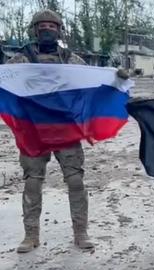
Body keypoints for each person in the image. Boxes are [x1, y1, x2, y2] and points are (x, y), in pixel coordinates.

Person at [8, 9, 100, 253]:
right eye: (42, 25)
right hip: (34, 130)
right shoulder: (22, 59)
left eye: (52, 25)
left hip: (64, 128)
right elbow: (5, 80)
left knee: (76, 180)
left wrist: (118, 79)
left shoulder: (70, 58)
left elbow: (90, 81)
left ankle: (81, 233)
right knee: (32, 183)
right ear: (35, 30)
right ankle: (31, 235)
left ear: (60, 30)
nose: (47, 29)